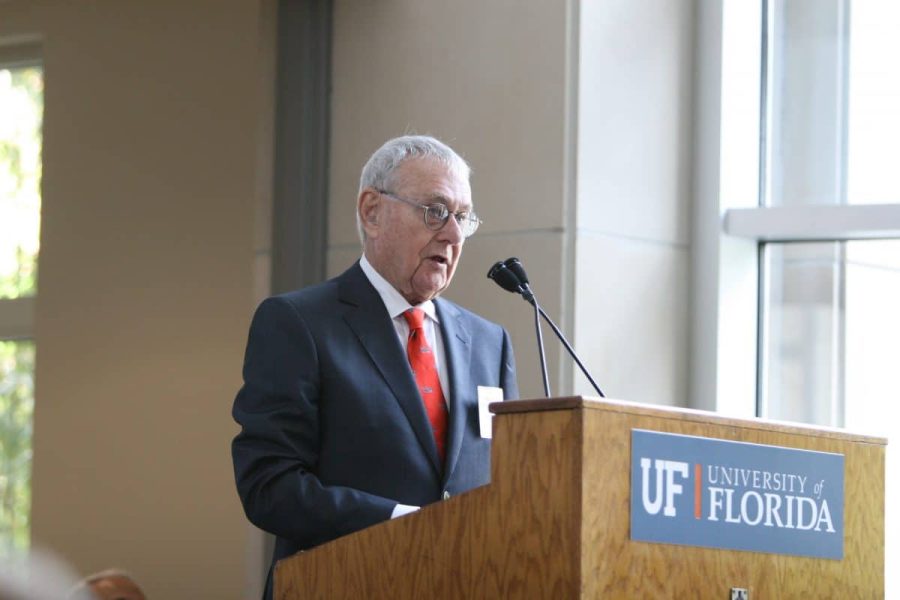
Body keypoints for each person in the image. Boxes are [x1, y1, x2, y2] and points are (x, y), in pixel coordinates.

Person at [231, 135, 518, 598]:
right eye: (435, 211)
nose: (453, 234)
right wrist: (404, 523)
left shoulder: (489, 343)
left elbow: (505, 485)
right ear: (372, 211)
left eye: (462, 218)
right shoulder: (299, 323)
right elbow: (270, 485)